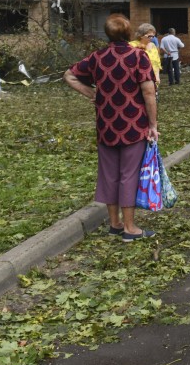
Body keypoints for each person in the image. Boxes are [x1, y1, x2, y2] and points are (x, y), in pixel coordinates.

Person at [64, 14, 159, 242]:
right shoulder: (139, 57)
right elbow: (148, 92)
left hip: (106, 125)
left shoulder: (97, 57)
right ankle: (129, 229)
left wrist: (91, 93)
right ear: (128, 34)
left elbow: (69, 75)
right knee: (129, 175)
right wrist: (153, 125)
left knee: (108, 174)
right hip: (133, 125)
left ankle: (114, 224)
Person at [130, 23, 162, 88]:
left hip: (152, 80)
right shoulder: (132, 45)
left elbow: (157, 63)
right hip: (137, 80)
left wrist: (157, 77)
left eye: (153, 36)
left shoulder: (153, 46)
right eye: (149, 36)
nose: (152, 38)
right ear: (141, 35)